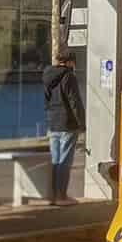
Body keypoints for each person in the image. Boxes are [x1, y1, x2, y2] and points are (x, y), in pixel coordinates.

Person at [42, 50, 84, 206]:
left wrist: (51, 115)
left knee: (55, 160)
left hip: (53, 123)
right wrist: (81, 124)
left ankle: (52, 196)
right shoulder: (69, 76)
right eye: (74, 61)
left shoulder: (47, 75)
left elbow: (46, 100)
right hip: (67, 124)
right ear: (69, 61)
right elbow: (75, 102)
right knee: (65, 161)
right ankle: (61, 196)